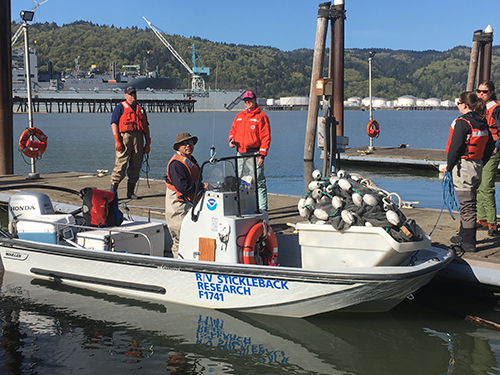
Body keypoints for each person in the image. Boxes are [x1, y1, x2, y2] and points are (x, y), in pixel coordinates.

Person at [445, 91, 494, 252]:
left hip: (463, 167)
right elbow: (491, 146)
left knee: (467, 206)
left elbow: (455, 148)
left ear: (464, 104)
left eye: (458, 103)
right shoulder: (481, 121)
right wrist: (481, 162)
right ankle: (462, 235)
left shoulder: (462, 122)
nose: (457, 106)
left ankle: (468, 243)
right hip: (477, 165)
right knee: (470, 203)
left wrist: (449, 166)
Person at [165, 132, 210, 258]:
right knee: (179, 237)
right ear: (178, 147)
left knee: (191, 235)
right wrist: (202, 186)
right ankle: (178, 267)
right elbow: (182, 187)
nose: (188, 146)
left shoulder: (190, 160)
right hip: (178, 206)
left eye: (190, 142)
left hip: (189, 204)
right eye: (184, 144)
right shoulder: (176, 164)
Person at [228, 90, 271, 211]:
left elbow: (266, 137)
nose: (247, 102)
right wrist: (231, 140)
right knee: (240, 182)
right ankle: (243, 206)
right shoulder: (239, 116)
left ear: (255, 100)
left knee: (258, 182)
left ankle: (262, 209)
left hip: (255, 154)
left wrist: (262, 155)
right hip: (240, 153)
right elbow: (233, 132)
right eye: (245, 100)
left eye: (250, 100)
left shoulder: (261, 117)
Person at [110, 86, 151, 199]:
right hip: (125, 137)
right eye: (130, 94)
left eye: (134, 94)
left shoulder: (140, 108)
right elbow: (114, 123)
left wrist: (148, 142)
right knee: (120, 165)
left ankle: (130, 193)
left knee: (136, 165)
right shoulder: (120, 107)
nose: (133, 96)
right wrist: (117, 140)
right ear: (126, 95)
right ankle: (113, 192)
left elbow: (146, 126)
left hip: (139, 137)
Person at [475, 80, 500, 236]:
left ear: (491, 92)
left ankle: (492, 223)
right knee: (478, 185)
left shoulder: (496, 109)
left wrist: (497, 146)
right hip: (481, 150)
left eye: (484, 92)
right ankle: (481, 219)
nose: (481, 94)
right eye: (479, 91)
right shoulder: (480, 108)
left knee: (486, 187)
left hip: (493, 151)